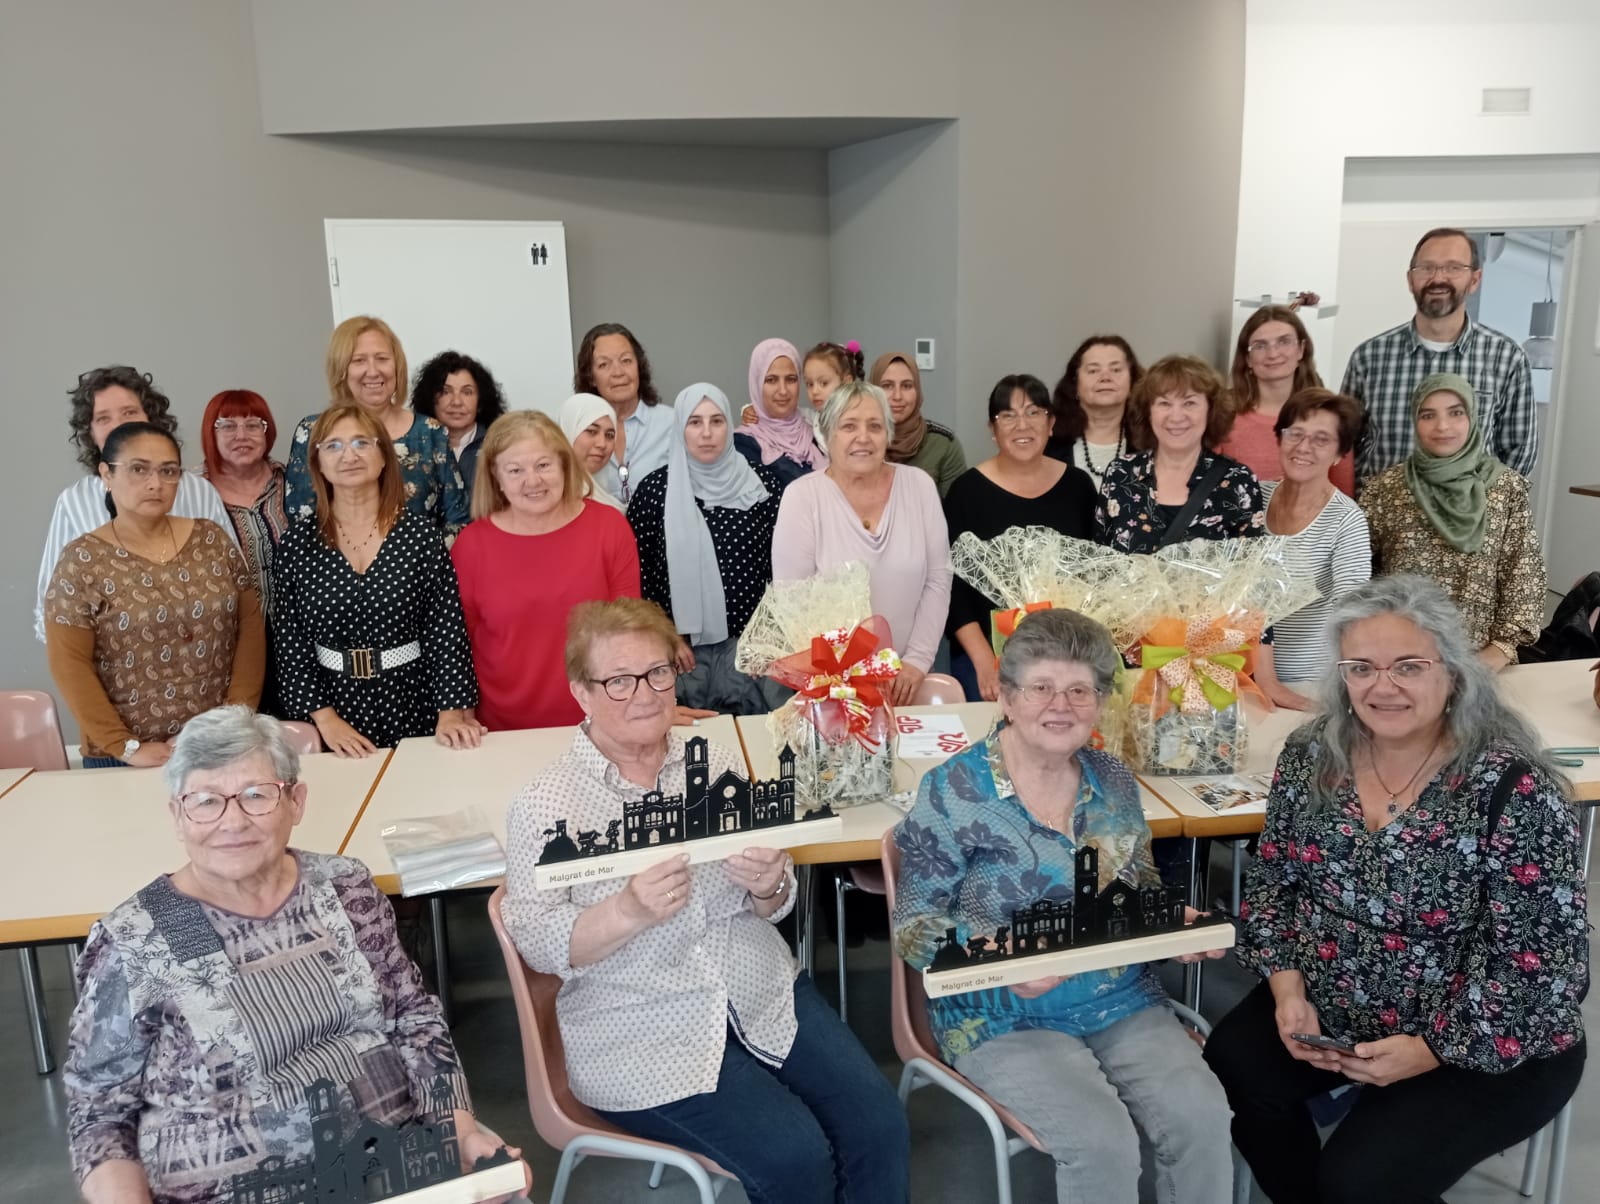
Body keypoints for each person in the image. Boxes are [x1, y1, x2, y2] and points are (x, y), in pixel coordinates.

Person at [501, 598, 910, 1204]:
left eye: (658, 672)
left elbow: (776, 902)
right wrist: (626, 913)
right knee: (795, 1156)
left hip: (759, 988)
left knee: (880, 1125)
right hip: (639, 1022)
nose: (643, 693)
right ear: (580, 692)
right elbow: (536, 941)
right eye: (618, 680)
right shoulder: (544, 803)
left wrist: (769, 881)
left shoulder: (713, 759)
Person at [1204, 576, 1587, 1204]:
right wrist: (1287, 990)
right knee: (1234, 1067)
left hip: (1483, 1034)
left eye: (1409, 666)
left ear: (1454, 674)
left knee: (1360, 1182)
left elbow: (1542, 965)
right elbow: (1274, 883)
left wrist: (1433, 1049)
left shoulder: (1509, 789)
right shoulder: (1310, 756)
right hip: (1337, 1004)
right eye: (1362, 668)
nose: (1383, 687)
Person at [64, 705, 529, 1204]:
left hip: (396, 1171)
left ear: (296, 801)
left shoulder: (344, 887)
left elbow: (414, 1019)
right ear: (178, 815)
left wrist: (460, 1133)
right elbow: (99, 1109)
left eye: (256, 796)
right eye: (205, 801)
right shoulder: (141, 936)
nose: (233, 821)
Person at [893, 608, 1233, 1202]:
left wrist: (1172, 925)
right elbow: (915, 927)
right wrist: (1004, 961)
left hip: (1118, 993)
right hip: (999, 1012)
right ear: (1007, 696)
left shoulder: (1112, 779)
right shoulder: (953, 790)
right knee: (1102, 1144)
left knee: (1202, 1117)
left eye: (1081, 690)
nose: (1061, 705)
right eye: (1041, 687)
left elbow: (1139, 883)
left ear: (1100, 702)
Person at [45, 423, 266, 769]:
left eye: (168, 471)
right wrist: (125, 746)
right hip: (125, 758)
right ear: (106, 474)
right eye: (138, 469)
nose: (155, 483)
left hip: (218, 745)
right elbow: (68, 663)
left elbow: (250, 626)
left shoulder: (211, 539)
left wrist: (234, 717)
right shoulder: (81, 560)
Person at [274, 404, 483, 756]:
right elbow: (290, 642)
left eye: (361, 443)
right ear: (318, 463)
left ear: (384, 456)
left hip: (414, 704)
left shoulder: (420, 536)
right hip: (330, 712)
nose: (349, 455)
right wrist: (325, 720)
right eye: (334, 446)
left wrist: (450, 713)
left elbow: (445, 630)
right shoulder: (297, 545)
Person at [451, 410, 643, 732]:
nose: (533, 481)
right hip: (498, 732)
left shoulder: (609, 528)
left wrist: (646, 703)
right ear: (495, 478)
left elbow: (629, 634)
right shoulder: (471, 545)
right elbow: (457, 646)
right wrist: (459, 714)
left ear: (565, 465)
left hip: (599, 726)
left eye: (543, 465)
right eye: (515, 470)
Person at [773, 381, 952, 705]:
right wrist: (848, 677)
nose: (863, 437)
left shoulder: (920, 487)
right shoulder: (802, 497)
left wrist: (916, 661)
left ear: (888, 434)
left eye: (875, 426)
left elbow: (938, 579)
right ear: (827, 436)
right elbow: (792, 602)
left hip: (910, 679)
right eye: (849, 426)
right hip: (834, 684)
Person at [36, 365, 235, 643]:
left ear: (151, 417)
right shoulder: (73, 503)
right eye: (103, 418)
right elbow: (53, 610)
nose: (120, 424)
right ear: (90, 432)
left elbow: (236, 584)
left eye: (129, 412)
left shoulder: (200, 492)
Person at [1362, 373, 1545, 670]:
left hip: (1480, 662)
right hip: (1397, 658)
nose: (1442, 426)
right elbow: (1360, 577)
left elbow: (1523, 576)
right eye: (1428, 415)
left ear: (1472, 417)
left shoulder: (1504, 488)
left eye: (1456, 413)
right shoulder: (1385, 488)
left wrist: (1497, 653)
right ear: (1414, 421)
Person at [629, 383, 785, 714]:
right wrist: (663, 638)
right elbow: (639, 581)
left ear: (730, 425)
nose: (706, 433)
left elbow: (781, 573)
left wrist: (767, 641)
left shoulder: (763, 486)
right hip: (677, 655)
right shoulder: (655, 491)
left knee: (750, 751)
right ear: (680, 429)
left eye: (716, 421)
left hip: (749, 654)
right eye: (695, 422)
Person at [943, 374, 1098, 701]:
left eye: (1033, 412)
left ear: (1051, 423)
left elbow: (1094, 575)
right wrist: (986, 662)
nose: (1021, 425)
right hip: (986, 657)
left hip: (1067, 653)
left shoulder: (1078, 487)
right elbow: (954, 593)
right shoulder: (966, 492)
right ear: (993, 429)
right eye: (1008, 415)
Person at [1344, 227, 1536, 483]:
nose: (1438, 278)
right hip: (1380, 519)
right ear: (1410, 279)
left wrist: (1485, 507)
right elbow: (1343, 445)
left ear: (1475, 280)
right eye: (1426, 268)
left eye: (1453, 268)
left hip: (1470, 521)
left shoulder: (1506, 357)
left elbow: (1518, 453)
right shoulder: (1369, 357)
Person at [284, 316, 470, 535]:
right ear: (341, 370)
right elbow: (301, 518)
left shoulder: (431, 432)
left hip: (421, 566)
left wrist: (422, 562)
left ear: (397, 366)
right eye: (358, 360)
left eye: (382, 358)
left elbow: (458, 519)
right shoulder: (313, 432)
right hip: (335, 566)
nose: (373, 371)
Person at [1257, 388, 1372, 707]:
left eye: (1321, 439)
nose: (1303, 447)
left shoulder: (1347, 521)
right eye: (1295, 433)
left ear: (1339, 454)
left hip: (1309, 686)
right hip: (1245, 678)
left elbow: (1353, 617)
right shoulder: (1253, 498)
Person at [1094, 354, 1265, 552]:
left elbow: (1249, 569)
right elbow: (1101, 561)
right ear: (1148, 412)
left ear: (1211, 411)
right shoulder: (1120, 473)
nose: (1176, 417)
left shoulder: (1239, 481)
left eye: (1189, 403)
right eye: (1164, 403)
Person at [199, 389, 292, 716]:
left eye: (254, 425)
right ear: (210, 432)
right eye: (227, 426)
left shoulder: (293, 482)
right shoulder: (193, 493)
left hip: (296, 635)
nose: (242, 435)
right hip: (228, 643)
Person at [1220, 306, 1355, 497]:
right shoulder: (1223, 413)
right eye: (1260, 345)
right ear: (1247, 358)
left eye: (1284, 342)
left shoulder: (1332, 416)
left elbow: (1342, 497)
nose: (1273, 353)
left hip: (1312, 526)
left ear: (1301, 349)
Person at [573, 321, 675, 505]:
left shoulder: (672, 422)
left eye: (626, 361)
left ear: (639, 367)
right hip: (601, 532)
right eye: (604, 365)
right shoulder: (575, 430)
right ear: (590, 377)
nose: (618, 372)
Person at [410, 349, 508, 509]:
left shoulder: (500, 446)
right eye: (445, 391)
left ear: (481, 401)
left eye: (467, 392)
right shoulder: (414, 448)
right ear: (430, 398)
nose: (456, 402)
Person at [1045, 334, 1144, 489]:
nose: (1105, 377)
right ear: (1074, 384)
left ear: (1132, 382)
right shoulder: (1048, 445)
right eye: (1093, 371)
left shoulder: (1151, 443)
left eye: (1116, 369)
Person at [870, 351, 966, 497]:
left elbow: (956, 512)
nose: (897, 396)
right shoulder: (859, 440)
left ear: (918, 391)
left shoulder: (943, 444)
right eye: (887, 386)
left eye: (907, 386)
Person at [734, 337, 829, 487]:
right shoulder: (743, 445)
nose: (783, 391)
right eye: (771, 380)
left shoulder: (817, 428)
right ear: (756, 383)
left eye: (791, 379)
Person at [740, 339, 865, 425]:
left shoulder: (861, 412)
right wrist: (750, 409)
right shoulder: (814, 419)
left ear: (847, 381)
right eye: (810, 384)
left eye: (824, 383)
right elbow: (798, 413)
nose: (815, 391)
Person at [559, 392, 626, 511]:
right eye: (592, 431)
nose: (602, 444)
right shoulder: (552, 497)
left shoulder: (605, 494)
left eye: (610, 435)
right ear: (568, 432)